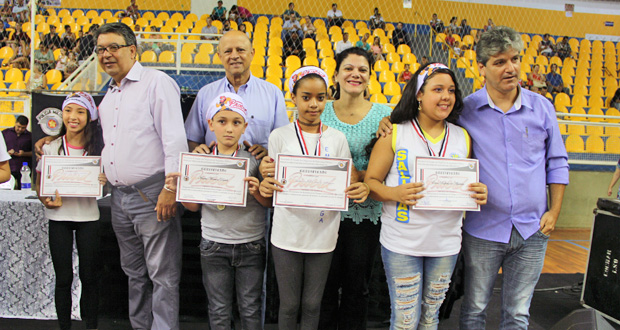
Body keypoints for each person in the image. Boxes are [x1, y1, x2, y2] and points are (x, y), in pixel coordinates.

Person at [455, 26, 569, 329]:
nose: (511, 68)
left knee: (518, 313)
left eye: (515, 59)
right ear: (481, 67)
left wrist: (554, 211)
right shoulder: (465, 111)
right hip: (482, 229)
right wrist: (390, 121)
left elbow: (557, 162)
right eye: (500, 62)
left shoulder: (542, 108)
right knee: (475, 308)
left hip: (533, 230)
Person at [366, 62, 488, 330]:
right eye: (438, 89)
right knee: (405, 321)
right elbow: (370, 183)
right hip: (402, 242)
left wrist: (478, 191)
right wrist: (394, 192)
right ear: (419, 94)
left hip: (445, 244)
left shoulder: (462, 137)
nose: (446, 96)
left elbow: (468, 184)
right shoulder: (395, 132)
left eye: (451, 90)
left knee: (430, 318)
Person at [259, 66, 369, 330]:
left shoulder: (337, 138)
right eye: (306, 97)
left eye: (320, 98)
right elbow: (272, 185)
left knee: (311, 305)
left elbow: (347, 181)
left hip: (324, 233)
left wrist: (355, 188)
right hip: (287, 232)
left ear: (327, 98)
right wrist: (266, 182)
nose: (313, 104)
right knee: (288, 306)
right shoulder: (279, 136)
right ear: (293, 97)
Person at [95, 22, 188, 330]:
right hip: (120, 199)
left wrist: (170, 187)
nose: (106, 55)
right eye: (100, 49)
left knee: (162, 275)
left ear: (132, 50)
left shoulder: (155, 82)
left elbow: (173, 138)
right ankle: (139, 326)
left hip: (152, 194)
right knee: (134, 272)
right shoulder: (109, 96)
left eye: (113, 48)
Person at [165, 93, 271, 329]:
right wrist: (180, 191)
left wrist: (256, 191)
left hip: (250, 243)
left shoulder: (253, 160)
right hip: (213, 243)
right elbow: (193, 207)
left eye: (236, 122)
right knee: (219, 309)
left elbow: (268, 204)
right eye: (222, 121)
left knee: (250, 307)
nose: (229, 129)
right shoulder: (200, 160)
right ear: (210, 124)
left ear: (245, 127)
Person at [318, 47, 392, 330]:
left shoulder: (386, 116)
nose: (355, 74)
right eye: (348, 68)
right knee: (322, 289)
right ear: (335, 74)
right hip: (323, 213)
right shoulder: (318, 111)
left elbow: (393, 166)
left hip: (365, 214)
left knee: (356, 289)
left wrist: (362, 177)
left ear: (370, 77)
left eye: (362, 69)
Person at [34, 92, 105, 330]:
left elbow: (111, 179)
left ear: (89, 116)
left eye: (80, 112)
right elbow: (40, 184)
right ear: (62, 114)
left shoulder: (99, 149)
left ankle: (90, 325)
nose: (73, 117)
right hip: (58, 217)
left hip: (88, 217)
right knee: (63, 278)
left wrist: (106, 178)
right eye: (68, 111)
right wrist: (45, 200)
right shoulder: (50, 147)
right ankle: (64, 326)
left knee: (90, 277)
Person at [185, 30, 288, 157]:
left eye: (240, 50)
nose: (234, 56)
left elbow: (283, 142)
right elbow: (192, 139)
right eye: (228, 51)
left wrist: (269, 153)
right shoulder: (205, 94)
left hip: (257, 172)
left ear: (252, 53)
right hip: (214, 172)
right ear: (219, 56)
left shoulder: (273, 94)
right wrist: (197, 150)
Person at [2, 115, 32, 189]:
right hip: (8, 167)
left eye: (23, 128)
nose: (20, 129)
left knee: (22, 190)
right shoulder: (5, 133)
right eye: (18, 126)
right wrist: (7, 153)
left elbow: (33, 153)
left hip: (23, 168)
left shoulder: (30, 136)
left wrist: (23, 153)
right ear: (15, 123)